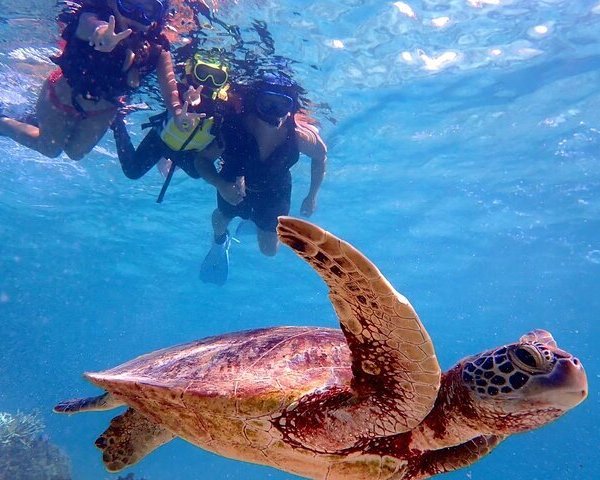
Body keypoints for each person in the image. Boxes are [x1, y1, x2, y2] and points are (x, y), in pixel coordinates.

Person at [0, 0, 186, 161]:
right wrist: (103, 35)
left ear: (157, 18)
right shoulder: (91, 17)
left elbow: (170, 90)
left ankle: (35, 122)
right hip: (61, 97)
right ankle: (3, 122)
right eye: (128, 4)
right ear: (113, 2)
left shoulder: (159, 49)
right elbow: (95, 28)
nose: (137, 15)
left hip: (103, 111)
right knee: (50, 150)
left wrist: (177, 113)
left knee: (75, 153)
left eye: (149, 10)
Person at [197, 73, 328, 285]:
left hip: (274, 191)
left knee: (269, 251)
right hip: (233, 185)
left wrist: (312, 195)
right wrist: (220, 185)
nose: (275, 113)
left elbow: (321, 157)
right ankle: (220, 242)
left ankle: (254, 222)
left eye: (282, 105)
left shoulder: (299, 137)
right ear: (255, 104)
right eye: (268, 104)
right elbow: (202, 159)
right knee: (221, 220)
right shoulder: (233, 130)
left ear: (291, 108)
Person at [110, 54, 235, 202]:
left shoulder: (224, 108)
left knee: (197, 172)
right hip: (160, 141)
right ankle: (117, 123)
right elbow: (167, 93)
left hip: (186, 152)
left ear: (224, 83)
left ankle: (166, 161)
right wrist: (184, 99)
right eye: (202, 74)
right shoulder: (178, 91)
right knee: (132, 171)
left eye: (217, 78)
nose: (208, 82)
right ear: (192, 73)